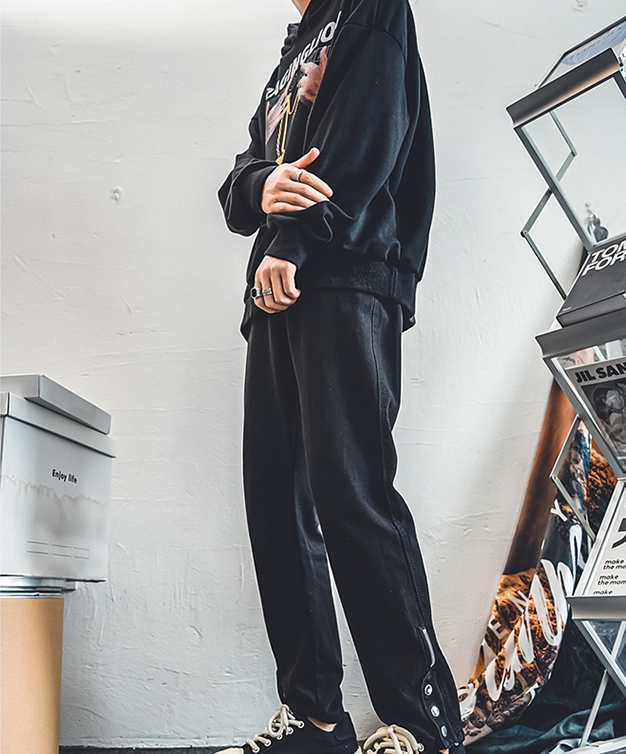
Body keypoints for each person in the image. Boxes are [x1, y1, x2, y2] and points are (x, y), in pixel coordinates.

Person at [218, 2, 465, 754]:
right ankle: (316, 719)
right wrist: (260, 189)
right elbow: (238, 183)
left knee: (351, 493)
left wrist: (291, 240)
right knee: (275, 497)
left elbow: (363, 140)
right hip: (276, 290)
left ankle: (424, 724)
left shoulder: (371, 8)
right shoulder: (296, 50)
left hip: (346, 275)